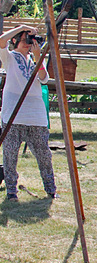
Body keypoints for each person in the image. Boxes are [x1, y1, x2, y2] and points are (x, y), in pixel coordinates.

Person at [0, 25, 57, 201]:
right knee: (10, 154)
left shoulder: (34, 60)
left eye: (32, 40)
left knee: (43, 154)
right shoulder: (9, 58)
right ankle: (11, 190)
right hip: (13, 114)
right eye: (26, 39)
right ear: (16, 41)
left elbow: (43, 78)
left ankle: (50, 189)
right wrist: (21, 27)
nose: (29, 44)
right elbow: (1, 41)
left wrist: (38, 56)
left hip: (35, 114)